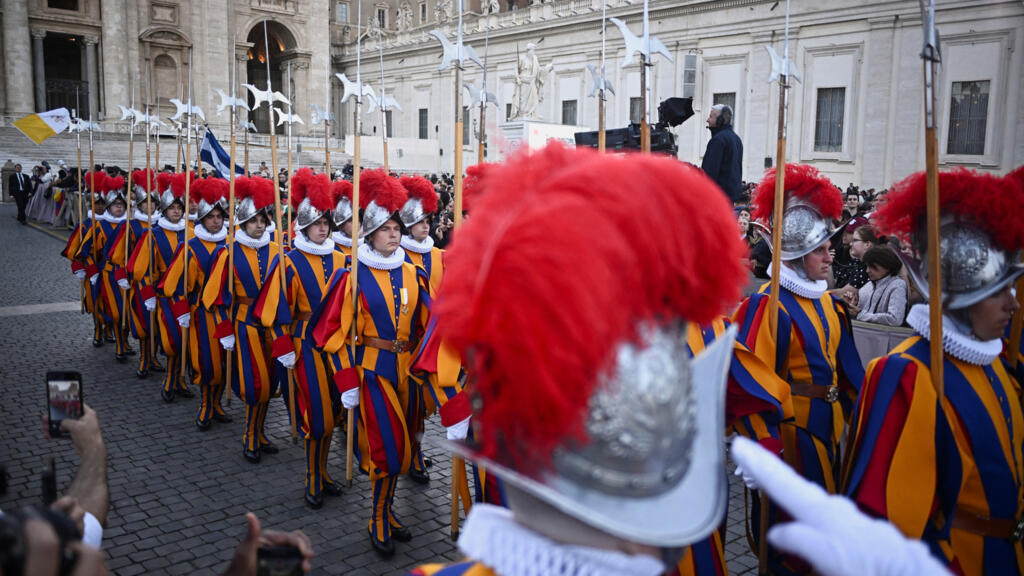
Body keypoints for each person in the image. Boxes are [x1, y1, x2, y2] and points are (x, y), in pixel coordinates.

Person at [408, 143, 748, 576]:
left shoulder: (668, 317)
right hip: (529, 450)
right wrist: (456, 403)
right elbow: (458, 344)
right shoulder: (528, 281)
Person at [842, 168, 1024, 575]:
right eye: (999, 291)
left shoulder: (997, 364)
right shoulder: (907, 375)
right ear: (963, 295)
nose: (1013, 305)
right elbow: (891, 514)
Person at [732, 163, 864, 574]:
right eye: (821, 250)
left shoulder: (828, 303)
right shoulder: (765, 305)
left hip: (830, 433)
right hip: (791, 439)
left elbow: (851, 375)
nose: (831, 255)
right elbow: (749, 379)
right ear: (798, 255)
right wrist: (760, 447)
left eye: (830, 247)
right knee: (789, 546)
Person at [312, 169, 431, 557]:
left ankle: (389, 510)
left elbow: (434, 325)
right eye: (386, 228)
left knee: (406, 447)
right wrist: (346, 380)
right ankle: (376, 516)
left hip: (408, 370)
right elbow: (333, 333)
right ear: (370, 234)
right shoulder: (353, 277)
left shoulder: (415, 272)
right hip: (373, 371)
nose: (394, 234)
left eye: (398, 227)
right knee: (389, 449)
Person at [254, 167, 345, 510]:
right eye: (318, 223)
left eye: (327, 222)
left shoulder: (341, 259)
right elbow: (275, 311)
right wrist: (284, 349)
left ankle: (323, 473)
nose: (324, 227)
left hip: (335, 347)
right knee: (317, 418)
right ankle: (312, 476)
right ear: (304, 225)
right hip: (305, 346)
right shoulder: (289, 262)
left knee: (334, 415)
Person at [204, 175, 281, 463]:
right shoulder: (229, 253)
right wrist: (226, 329)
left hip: (272, 326)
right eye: (254, 220)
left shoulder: (278, 251)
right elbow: (216, 297)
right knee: (254, 384)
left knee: (270, 382)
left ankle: (260, 431)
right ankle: (250, 434)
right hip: (245, 324)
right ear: (243, 223)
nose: (259, 225)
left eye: (263, 219)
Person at [160, 177, 232, 430]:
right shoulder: (190, 247)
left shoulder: (232, 245)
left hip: (228, 314)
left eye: (219, 216)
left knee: (225, 363)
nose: (215, 221)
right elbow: (178, 286)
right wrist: (182, 313)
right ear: (202, 219)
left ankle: (217, 402)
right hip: (202, 314)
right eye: (211, 216)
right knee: (207, 363)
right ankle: (205, 403)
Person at [129, 172, 193, 402]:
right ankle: (169, 378)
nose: (176, 211)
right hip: (165, 297)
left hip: (186, 298)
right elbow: (143, 269)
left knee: (185, 342)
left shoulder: (191, 234)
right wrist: (148, 295)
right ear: (164, 210)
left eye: (179, 207)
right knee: (171, 341)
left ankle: (180, 379)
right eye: (172, 207)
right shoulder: (152, 235)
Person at [108, 169, 165, 377]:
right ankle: (143, 358)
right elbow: (118, 255)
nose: (149, 206)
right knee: (143, 322)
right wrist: (122, 276)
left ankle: (153, 357)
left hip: (160, 281)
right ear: (139, 205)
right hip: (139, 280)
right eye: (145, 203)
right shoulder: (130, 226)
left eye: (153, 203)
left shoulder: (161, 226)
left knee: (158, 324)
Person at [847, 246, 907, 326]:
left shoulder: (898, 285)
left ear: (887, 266)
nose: (867, 270)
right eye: (867, 266)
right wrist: (852, 305)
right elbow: (859, 313)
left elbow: (895, 319)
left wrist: (860, 314)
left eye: (872, 266)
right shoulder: (867, 286)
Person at [701, 104, 743, 203]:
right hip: (730, 199)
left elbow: (709, 173)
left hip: (717, 199)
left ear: (720, 120)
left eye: (711, 116)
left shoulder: (718, 141)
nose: (707, 120)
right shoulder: (736, 139)